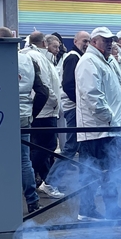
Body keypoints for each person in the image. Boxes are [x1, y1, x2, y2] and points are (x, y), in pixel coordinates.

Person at [0, 27, 49, 214]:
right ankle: (32, 201)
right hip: (23, 114)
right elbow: (43, 92)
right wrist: (31, 113)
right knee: (24, 159)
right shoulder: (29, 60)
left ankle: (0, 200)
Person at [75, 27, 121, 221]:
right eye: (105, 40)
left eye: (111, 40)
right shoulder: (89, 62)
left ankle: (112, 209)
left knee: (109, 172)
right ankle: (87, 210)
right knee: (93, 173)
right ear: (94, 42)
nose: (110, 43)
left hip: (106, 127)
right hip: (96, 128)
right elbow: (93, 96)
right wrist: (111, 119)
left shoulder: (106, 60)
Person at [25, 31, 64, 199]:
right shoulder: (38, 57)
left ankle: (44, 181)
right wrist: (55, 103)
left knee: (39, 147)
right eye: (53, 46)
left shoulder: (29, 55)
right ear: (44, 44)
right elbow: (46, 86)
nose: (56, 49)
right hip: (45, 110)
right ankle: (29, 177)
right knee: (46, 147)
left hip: (39, 109)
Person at [52, 30, 90, 191]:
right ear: (75, 41)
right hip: (74, 108)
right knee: (71, 146)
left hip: (75, 107)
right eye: (84, 41)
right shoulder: (73, 57)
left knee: (79, 146)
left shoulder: (77, 57)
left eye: (89, 41)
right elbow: (68, 84)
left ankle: (85, 180)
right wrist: (80, 103)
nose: (86, 44)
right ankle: (51, 181)